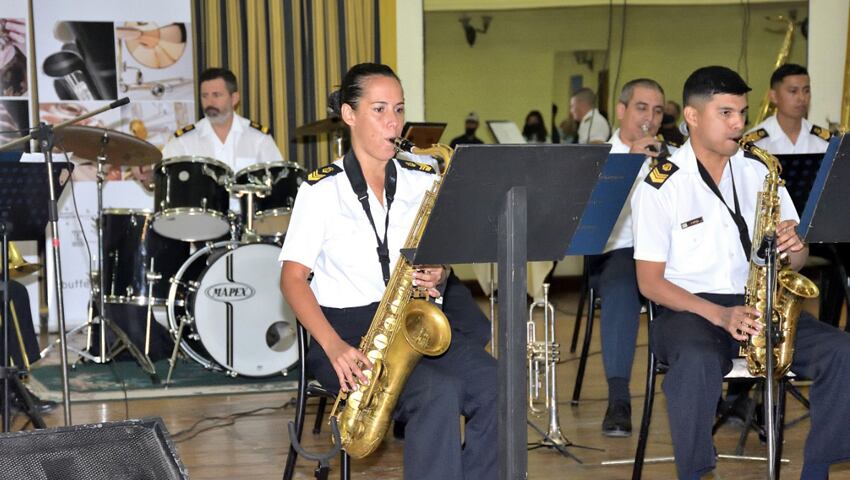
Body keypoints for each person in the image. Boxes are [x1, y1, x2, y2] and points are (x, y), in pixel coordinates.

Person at [631, 65, 850, 479]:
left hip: (760, 304)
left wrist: (796, 246)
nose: (738, 124)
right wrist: (718, 314)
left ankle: (817, 470)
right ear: (693, 118)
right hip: (690, 312)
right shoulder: (662, 185)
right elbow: (650, 282)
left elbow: (795, 261)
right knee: (694, 363)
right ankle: (696, 472)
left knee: (843, 352)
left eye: (742, 113)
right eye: (726, 113)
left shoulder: (761, 169)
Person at [279, 63, 496, 480]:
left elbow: (439, 254)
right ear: (348, 115)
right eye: (379, 110)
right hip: (346, 334)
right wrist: (334, 346)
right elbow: (291, 279)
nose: (393, 121)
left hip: (411, 319)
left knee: (496, 384)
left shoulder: (422, 176)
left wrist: (440, 271)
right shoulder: (321, 190)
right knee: (438, 393)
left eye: (398, 109)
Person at [594, 78, 676, 437]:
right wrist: (630, 161)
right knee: (622, 288)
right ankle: (618, 397)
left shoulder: (671, 155)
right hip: (617, 251)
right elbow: (597, 217)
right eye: (642, 108)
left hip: (668, 253)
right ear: (621, 110)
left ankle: (706, 383)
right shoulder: (598, 155)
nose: (651, 118)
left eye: (658, 111)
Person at [133, 67, 284, 185]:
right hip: (201, 223)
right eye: (205, 96)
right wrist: (146, 174)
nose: (209, 102)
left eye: (216, 95)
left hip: (249, 220)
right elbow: (160, 177)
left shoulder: (258, 138)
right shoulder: (184, 140)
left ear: (234, 98)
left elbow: (280, 180)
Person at [743, 64, 832, 154]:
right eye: (793, 91)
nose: (802, 98)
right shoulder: (753, 144)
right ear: (773, 96)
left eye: (806, 91)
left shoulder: (825, 142)